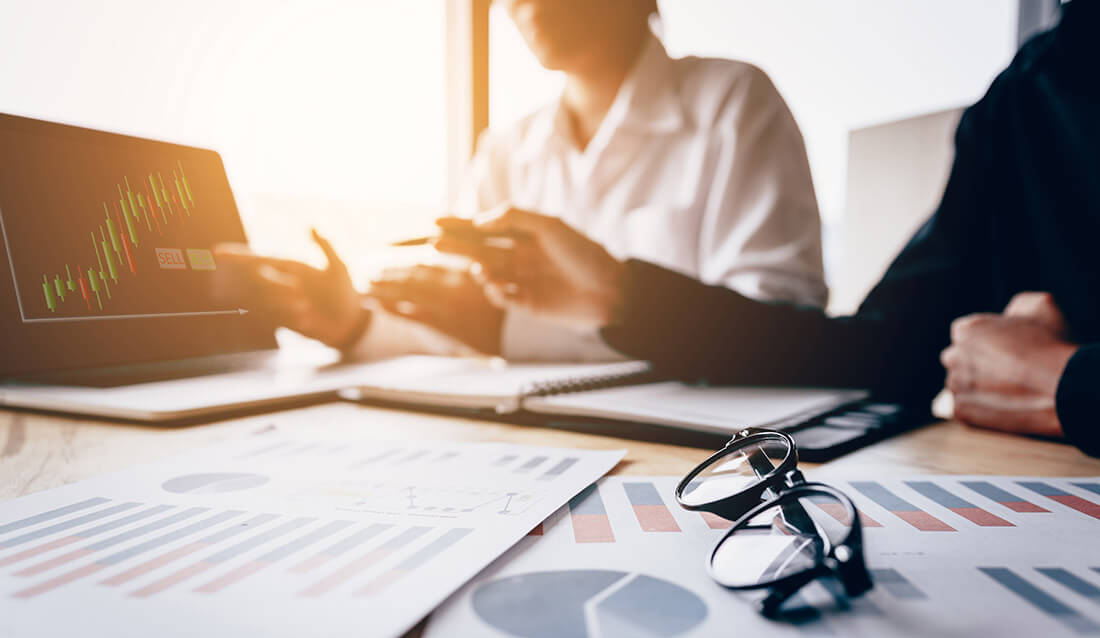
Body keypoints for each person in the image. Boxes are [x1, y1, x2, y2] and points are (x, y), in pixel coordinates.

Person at [435, 1, 1100, 457]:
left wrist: (1072, 385)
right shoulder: (1029, 95)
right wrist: (622, 298)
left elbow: (787, 307)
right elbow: (881, 352)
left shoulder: (731, 100)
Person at [219, 0, 826, 362]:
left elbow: (779, 327)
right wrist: (351, 324)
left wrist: (534, 326)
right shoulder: (506, 148)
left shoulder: (734, 101)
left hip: (698, 457)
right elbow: (464, 330)